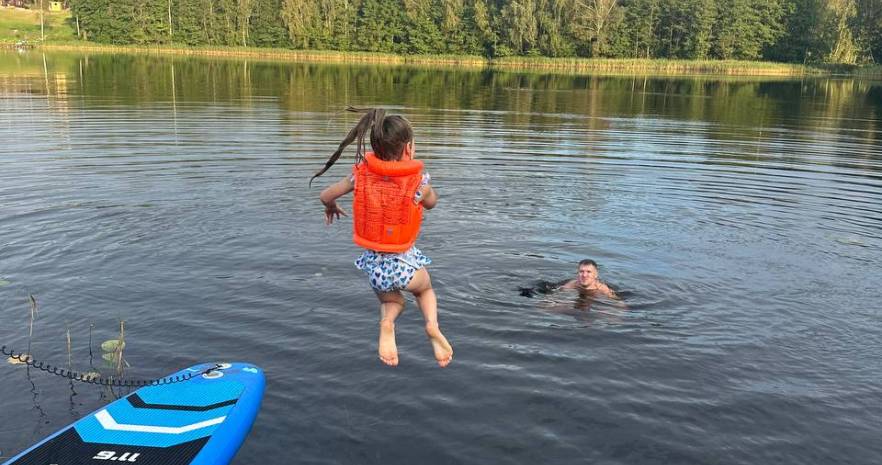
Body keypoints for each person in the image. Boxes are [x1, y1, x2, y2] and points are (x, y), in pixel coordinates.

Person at [312, 107, 453, 368]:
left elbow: (325, 195)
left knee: (392, 300)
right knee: (424, 291)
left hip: (375, 269)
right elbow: (432, 203)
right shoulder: (419, 183)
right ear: (409, 149)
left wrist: (330, 206)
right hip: (405, 266)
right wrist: (425, 192)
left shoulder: (359, 175)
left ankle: (387, 323)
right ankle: (432, 326)